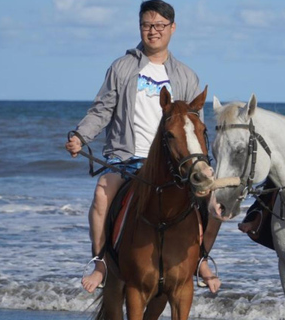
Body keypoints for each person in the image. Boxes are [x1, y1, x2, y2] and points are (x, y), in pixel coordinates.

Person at [65, 0, 221, 294]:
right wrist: (81, 136)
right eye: (147, 25)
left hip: (174, 166)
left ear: (172, 29)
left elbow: (196, 129)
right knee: (102, 194)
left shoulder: (186, 76)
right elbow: (102, 110)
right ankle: (100, 260)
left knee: (214, 201)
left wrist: (204, 163)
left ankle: (200, 257)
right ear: (140, 27)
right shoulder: (122, 68)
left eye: (160, 26)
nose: (153, 31)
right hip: (128, 160)